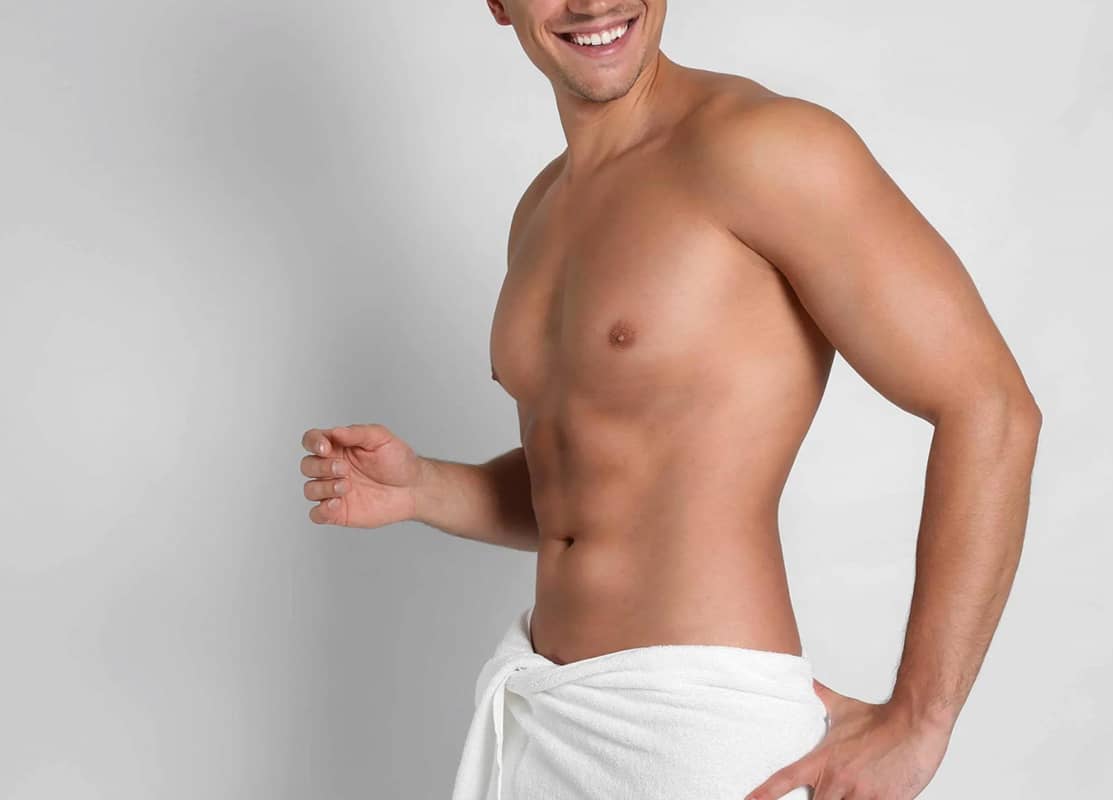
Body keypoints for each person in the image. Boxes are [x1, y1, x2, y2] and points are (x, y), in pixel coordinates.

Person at [298, 2, 1042, 798]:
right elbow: (594, 479)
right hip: (544, 714)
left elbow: (990, 406)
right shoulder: (539, 208)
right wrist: (426, 489)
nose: (592, 3)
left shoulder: (764, 147)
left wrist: (922, 718)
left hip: (700, 730)